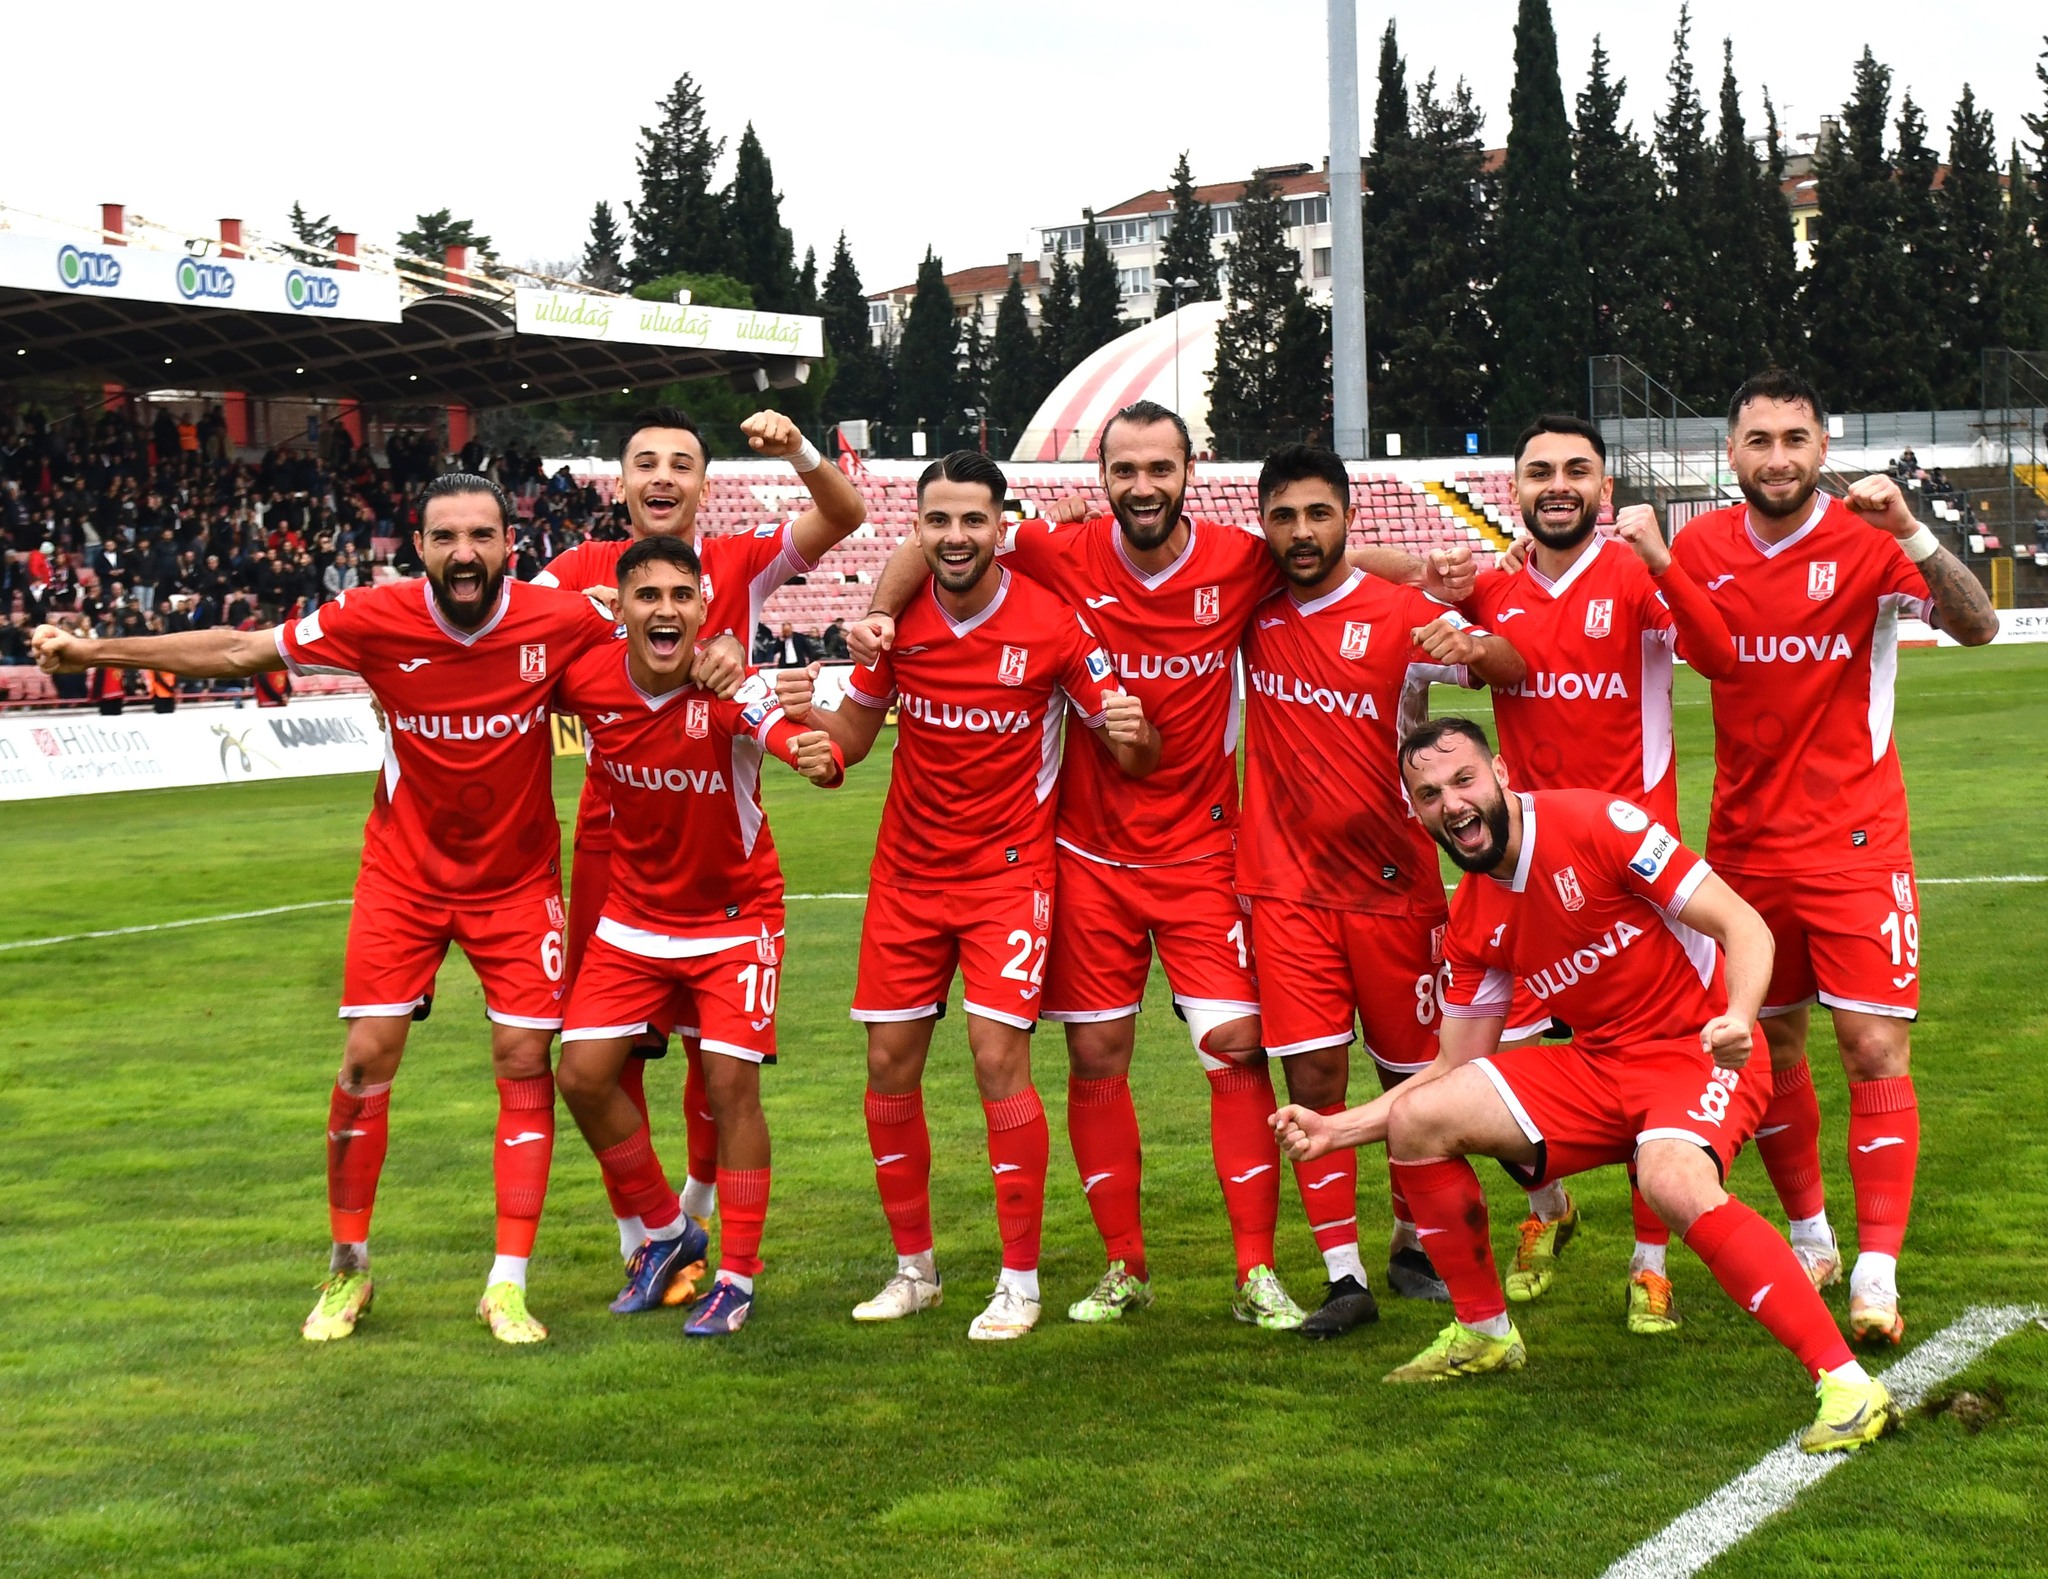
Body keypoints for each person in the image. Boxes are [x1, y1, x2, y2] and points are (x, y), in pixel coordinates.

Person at [847, 399, 1478, 1330]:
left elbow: (1339, 562)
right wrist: (874, 614)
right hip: (1086, 853)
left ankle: (1257, 1272)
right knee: (1097, 1055)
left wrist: (1426, 574)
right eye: (1125, 469)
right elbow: (936, 540)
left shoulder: (1239, 556)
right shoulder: (1057, 550)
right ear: (1101, 478)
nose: (1143, 485)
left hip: (1205, 853)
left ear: (1192, 470)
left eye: (1160, 468)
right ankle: (1123, 1265)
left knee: (1233, 1054)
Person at [35, 473, 621, 1346]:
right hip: (404, 878)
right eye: (446, 536)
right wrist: (92, 651)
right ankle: (349, 1268)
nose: (465, 552)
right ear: (417, 547)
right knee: (363, 1059)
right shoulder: (372, 615)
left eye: (483, 535)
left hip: (518, 882)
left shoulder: (561, 617)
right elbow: (240, 651)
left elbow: (662, 643)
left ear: (510, 544)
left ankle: (506, 1283)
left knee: (523, 1058)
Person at [1274, 717, 1900, 1455]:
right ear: (1416, 811)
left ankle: (1849, 1383)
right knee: (1421, 1117)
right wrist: (1334, 1129)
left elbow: (1744, 923)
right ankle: (1484, 1332)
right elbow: (1451, 1067)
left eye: (1463, 780)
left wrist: (1736, 1014)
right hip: (1599, 1066)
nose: (1451, 803)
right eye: (1429, 794)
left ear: (1501, 773)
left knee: (1671, 1177)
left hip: (1697, 1051)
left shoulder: (1598, 822)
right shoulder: (1473, 913)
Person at [1670, 370, 1996, 1346]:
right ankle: (1809, 1236)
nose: (1777, 458)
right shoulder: (1697, 546)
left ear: (1822, 447)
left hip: (1856, 845)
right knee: (1767, 1047)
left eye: (1794, 439)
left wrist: (1912, 530)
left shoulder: (1866, 537)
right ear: (1729, 453)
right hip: (1742, 849)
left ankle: (1875, 1273)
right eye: (1758, 440)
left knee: (1870, 1048)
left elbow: (1974, 625)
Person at [805, 449, 1159, 1341]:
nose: (956, 536)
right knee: (888, 1067)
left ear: (1003, 527)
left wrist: (1135, 730)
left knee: (998, 1061)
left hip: (1008, 879)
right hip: (905, 879)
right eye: (939, 521)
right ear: (919, 531)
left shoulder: (1054, 626)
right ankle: (914, 1270)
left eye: (973, 520)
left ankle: (1020, 1280)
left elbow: (1129, 751)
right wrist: (805, 729)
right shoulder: (898, 631)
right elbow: (850, 736)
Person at [534, 407, 865, 1291]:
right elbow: (506, 642)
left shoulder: (737, 563)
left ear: (704, 486)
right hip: (614, 830)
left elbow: (843, 515)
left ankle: (700, 1213)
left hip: (714, 806)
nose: (664, 477)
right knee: (614, 1050)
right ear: (621, 479)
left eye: (682, 463)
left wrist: (797, 448)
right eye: (646, 462)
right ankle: (642, 1235)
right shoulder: (572, 574)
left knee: (711, 1051)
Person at [1237, 445, 1525, 1337]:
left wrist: (1471, 637)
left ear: (1348, 517)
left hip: (1397, 894)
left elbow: (1506, 668)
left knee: (1418, 1080)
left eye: (1318, 513)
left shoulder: (1404, 618)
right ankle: (1342, 1274)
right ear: (1264, 525)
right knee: (1314, 1074)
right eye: (1283, 516)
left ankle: (1414, 1244)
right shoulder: (1249, 612)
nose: (1301, 532)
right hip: (1286, 893)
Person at [1467, 415, 1738, 1332]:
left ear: (1603, 489)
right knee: (1487, 1061)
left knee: (1651, 1067)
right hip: (1519, 871)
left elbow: (1718, 652)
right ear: (1512, 489)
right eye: (1538, 468)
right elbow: (1396, 588)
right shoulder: (1495, 584)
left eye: (1576, 469)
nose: (1557, 483)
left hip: (1637, 877)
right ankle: (1549, 1209)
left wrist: (1664, 560)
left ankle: (1650, 1263)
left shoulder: (1632, 572)